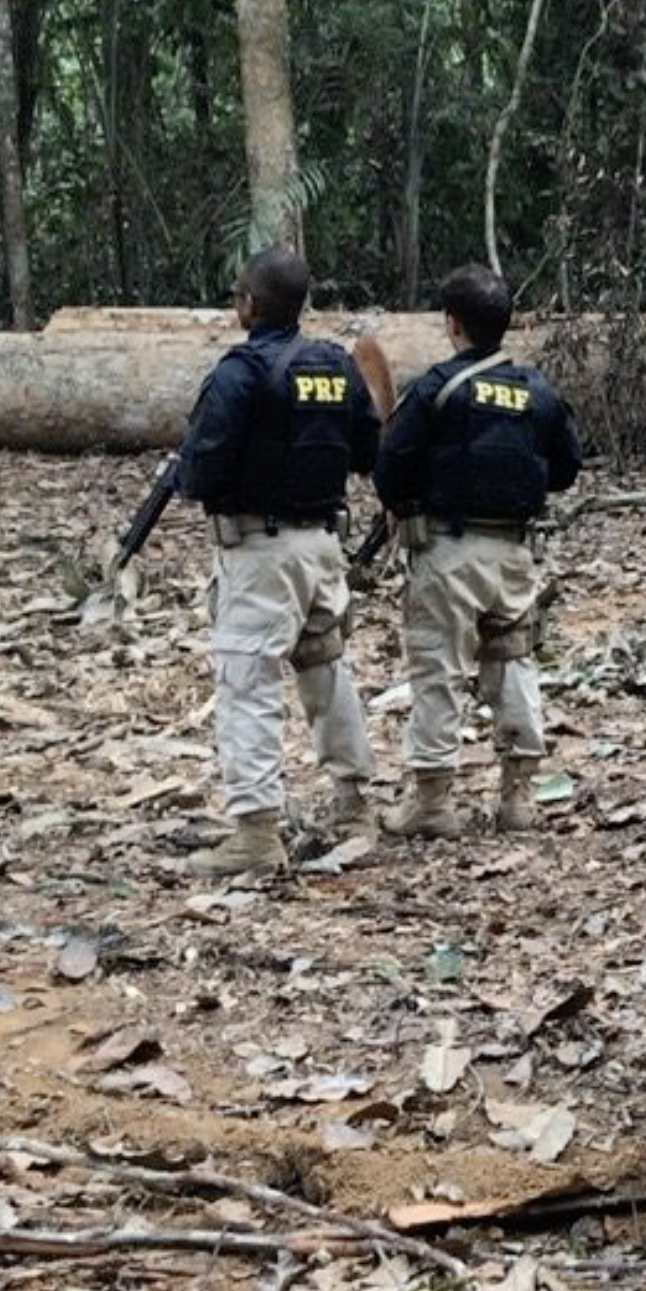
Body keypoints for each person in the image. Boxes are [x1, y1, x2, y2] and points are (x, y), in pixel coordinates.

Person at [179, 247, 383, 876]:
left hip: (261, 553)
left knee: (248, 683)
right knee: (326, 670)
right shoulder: (333, 366)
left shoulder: (240, 373)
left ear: (249, 304)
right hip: (322, 547)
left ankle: (256, 833)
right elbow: (366, 446)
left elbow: (200, 468)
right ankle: (353, 803)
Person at [373, 264, 585, 837]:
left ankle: (434, 803)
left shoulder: (436, 388)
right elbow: (567, 466)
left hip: (447, 552)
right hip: (514, 553)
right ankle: (518, 797)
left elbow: (390, 468)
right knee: (513, 662)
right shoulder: (536, 392)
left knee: (438, 670)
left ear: (452, 324)